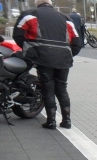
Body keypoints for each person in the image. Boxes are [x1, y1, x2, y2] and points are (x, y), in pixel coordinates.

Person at [14, 0, 81, 129]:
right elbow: (77, 43)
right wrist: (67, 55)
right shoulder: (66, 19)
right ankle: (67, 120)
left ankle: (51, 121)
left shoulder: (30, 14)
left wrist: (32, 52)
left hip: (43, 58)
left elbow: (18, 35)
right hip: (63, 59)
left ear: (37, 2)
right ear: (50, 3)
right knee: (62, 89)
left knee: (48, 88)